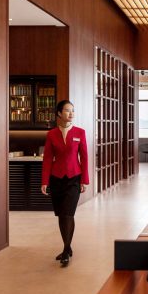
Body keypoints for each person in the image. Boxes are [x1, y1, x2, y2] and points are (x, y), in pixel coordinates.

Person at [41, 100, 89, 267]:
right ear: (59, 113)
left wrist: (85, 180)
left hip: (74, 178)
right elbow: (47, 158)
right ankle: (67, 248)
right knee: (62, 214)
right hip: (56, 179)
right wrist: (44, 181)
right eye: (67, 111)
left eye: (73, 111)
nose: (71, 114)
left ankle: (66, 250)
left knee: (68, 213)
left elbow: (84, 157)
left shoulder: (80, 133)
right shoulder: (52, 134)